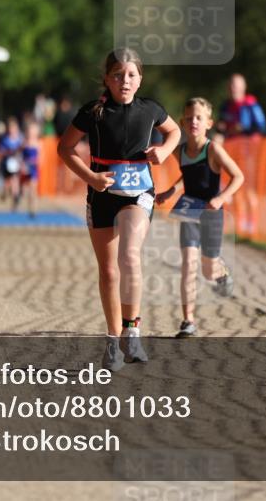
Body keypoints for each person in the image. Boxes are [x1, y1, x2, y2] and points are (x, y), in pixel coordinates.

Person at [57, 48, 180, 371]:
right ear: (107, 79)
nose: (124, 81)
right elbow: (65, 148)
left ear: (140, 80)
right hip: (102, 195)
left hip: (138, 194)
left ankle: (133, 331)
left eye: (131, 75)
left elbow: (175, 131)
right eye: (118, 75)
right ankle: (113, 340)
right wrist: (91, 177)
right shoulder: (93, 112)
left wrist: (165, 150)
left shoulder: (151, 109)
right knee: (109, 271)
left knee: (129, 256)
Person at [156, 98, 245, 338]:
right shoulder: (180, 150)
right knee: (188, 267)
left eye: (198, 118)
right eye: (189, 118)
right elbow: (187, 177)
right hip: (189, 213)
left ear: (209, 123)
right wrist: (168, 192)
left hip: (212, 215)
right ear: (183, 123)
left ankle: (221, 273)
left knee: (208, 271)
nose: (193, 121)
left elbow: (238, 176)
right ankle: (188, 321)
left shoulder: (213, 149)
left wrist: (220, 198)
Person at [218, 74, 266, 235]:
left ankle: (251, 223)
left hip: (248, 154)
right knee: (234, 188)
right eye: (231, 85)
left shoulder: (251, 105)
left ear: (243, 88)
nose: (234, 89)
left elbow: (262, 128)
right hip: (230, 154)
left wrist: (243, 130)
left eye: (237, 85)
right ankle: (239, 222)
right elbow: (221, 128)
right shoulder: (225, 106)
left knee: (248, 187)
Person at [0, 117, 23, 206]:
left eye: (14, 128)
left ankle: (15, 197)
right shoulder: (5, 139)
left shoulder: (20, 139)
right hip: (6, 164)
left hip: (16, 163)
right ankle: (4, 192)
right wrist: (8, 152)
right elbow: (0, 151)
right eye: (11, 128)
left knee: (15, 179)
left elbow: (23, 149)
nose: (13, 130)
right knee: (7, 182)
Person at [20, 121, 41, 216]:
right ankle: (29, 207)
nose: (31, 133)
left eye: (33, 132)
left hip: (34, 169)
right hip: (25, 169)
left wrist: (33, 162)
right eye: (30, 131)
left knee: (33, 189)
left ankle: (34, 209)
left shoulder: (38, 144)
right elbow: (21, 157)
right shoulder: (24, 143)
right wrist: (23, 164)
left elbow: (41, 159)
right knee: (26, 190)